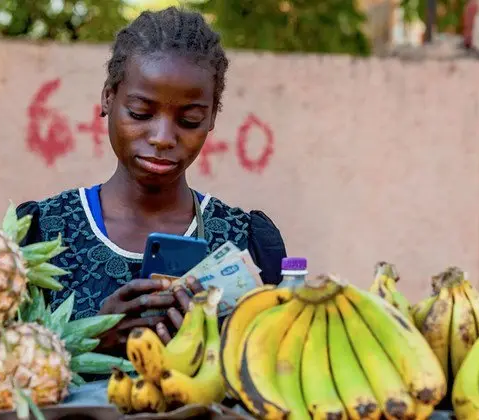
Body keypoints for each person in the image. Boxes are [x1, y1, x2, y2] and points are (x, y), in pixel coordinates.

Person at [16, 7, 287, 358]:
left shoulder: (246, 243)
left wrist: (220, 347)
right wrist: (91, 341)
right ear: (108, 98)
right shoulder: (42, 234)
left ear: (212, 117)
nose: (162, 137)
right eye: (141, 113)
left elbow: (280, 372)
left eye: (189, 120)